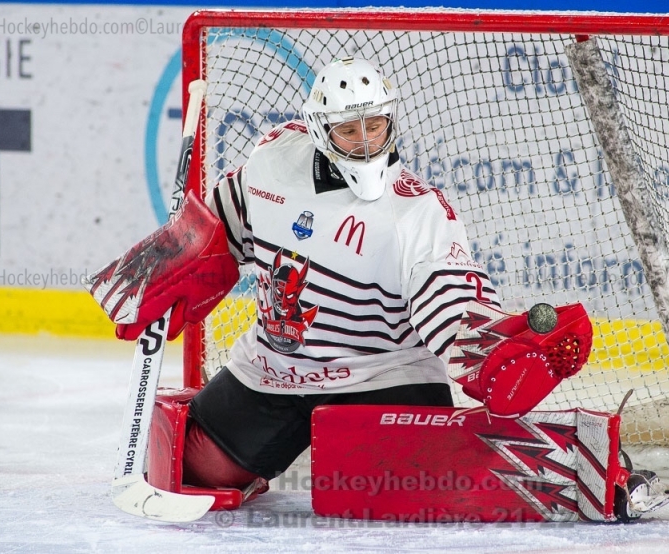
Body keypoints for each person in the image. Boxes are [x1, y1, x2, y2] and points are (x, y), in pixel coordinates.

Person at [172, 56, 501, 493]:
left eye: (376, 125)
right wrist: (177, 261)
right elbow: (222, 226)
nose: (366, 142)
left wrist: (495, 354)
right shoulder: (275, 159)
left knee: (400, 490)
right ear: (320, 130)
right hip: (276, 366)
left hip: (383, 372)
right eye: (349, 129)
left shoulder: (418, 209)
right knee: (198, 469)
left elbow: (452, 301)